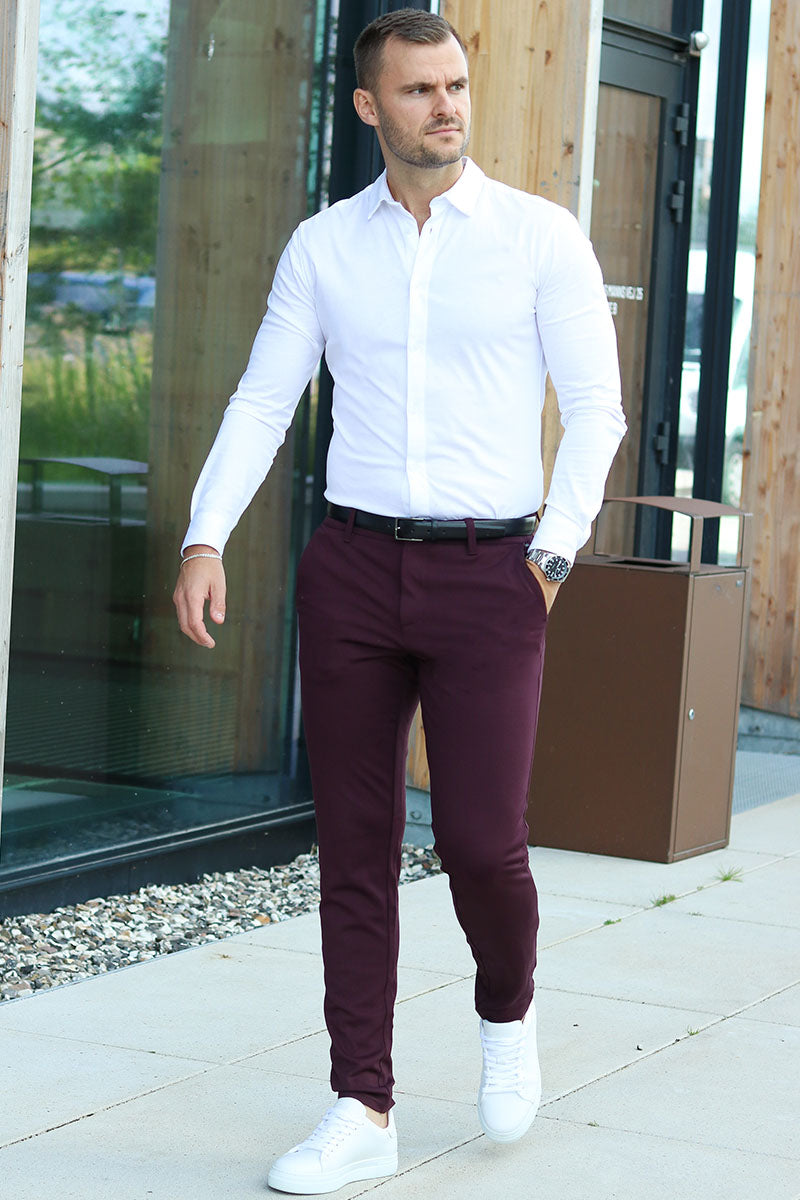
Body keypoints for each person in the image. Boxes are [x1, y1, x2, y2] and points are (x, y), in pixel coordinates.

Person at [174, 8, 625, 1195]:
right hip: (353, 571)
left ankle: (505, 1009)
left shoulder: (537, 238)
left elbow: (596, 410)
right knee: (354, 852)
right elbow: (262, 401)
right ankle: (361, 1104)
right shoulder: (323, 247)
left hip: (492, 574)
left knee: (480, 842)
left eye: (455, 85)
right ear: (370, 107)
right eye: (419, 90)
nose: (445, 106)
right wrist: (205, 536)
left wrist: (551, 559)